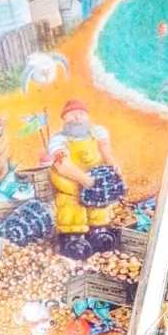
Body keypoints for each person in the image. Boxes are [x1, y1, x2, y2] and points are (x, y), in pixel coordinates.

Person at [49, 100, 120, 236]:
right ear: (64, 118)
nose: (77, 117)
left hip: (95, 177)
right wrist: (85, 180)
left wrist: (113, 165)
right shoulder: (59, 139)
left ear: (87, 116)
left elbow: (106, 152)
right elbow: (62, 165)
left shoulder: (98, 132)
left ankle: (98, 230)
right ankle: (73, 235)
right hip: (70, 180)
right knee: (72, 204)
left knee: (99, 202)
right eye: (72, 114)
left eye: (81, 113)